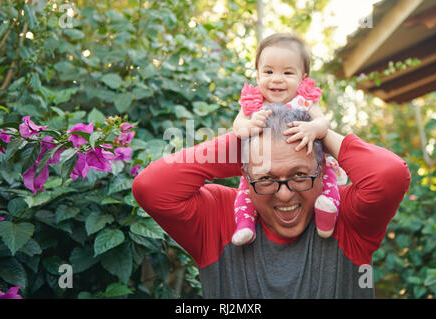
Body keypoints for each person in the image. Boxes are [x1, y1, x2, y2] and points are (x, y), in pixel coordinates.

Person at [132, 42, 411, 300]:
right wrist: (243, 145)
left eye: (300, 175)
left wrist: (321, 135)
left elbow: (390, 173)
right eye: (265, 178)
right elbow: (151, 187)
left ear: (322, 166)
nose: (285, 194)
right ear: (245, 174)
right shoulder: (219, 218)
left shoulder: (348, 218)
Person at [231, 33, 347, 246]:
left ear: (303, 79)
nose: (276, 78)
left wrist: (313, 128)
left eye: (287, 72)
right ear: (257, 76)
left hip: (306, 162)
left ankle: (326, 216)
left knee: (327, 178)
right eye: (268, 71)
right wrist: (249, 126)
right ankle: (245, 225)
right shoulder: (254, 103)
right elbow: (237, 126)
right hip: (263, 165)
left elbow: (323, 123)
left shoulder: (305, 101)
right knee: (246, 188)